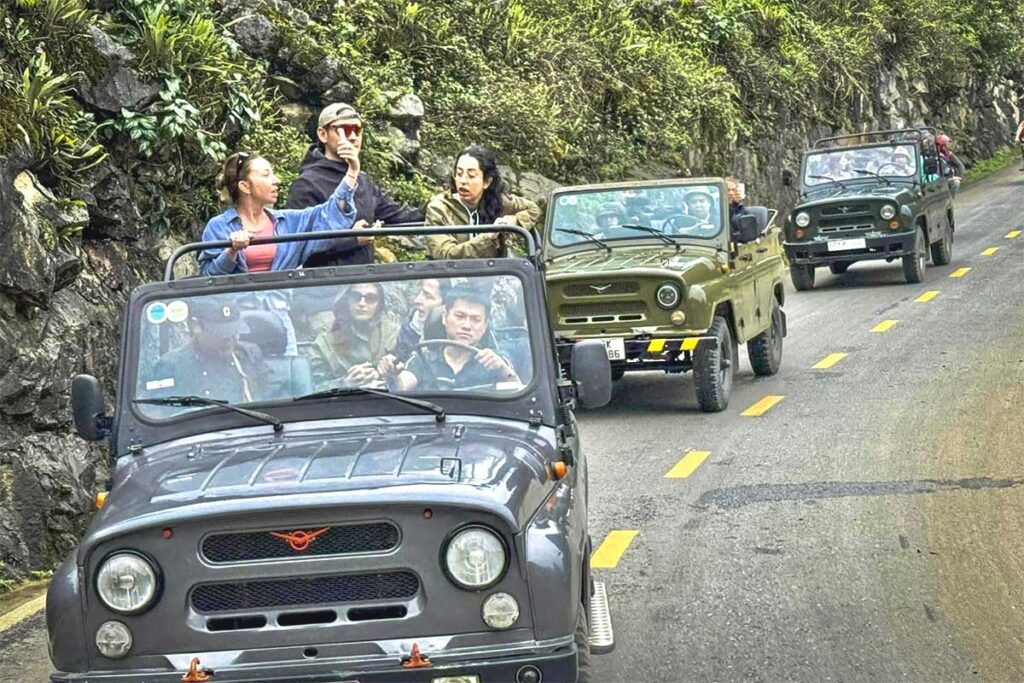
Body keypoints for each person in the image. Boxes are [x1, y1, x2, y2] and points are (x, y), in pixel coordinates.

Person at [287, 103, 425, 267]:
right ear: (323, 135)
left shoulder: (363, 180)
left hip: (363, 282)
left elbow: (396, 214)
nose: (353, 137)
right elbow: (297, 243)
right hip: (324, 285)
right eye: (344, 130)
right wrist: (351, 239)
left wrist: (443, 204)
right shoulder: (306, 184)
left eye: (357, 130)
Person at [197, 151, 358, 275]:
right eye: (267, 175)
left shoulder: (290, 222)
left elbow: (330, 215)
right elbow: (208, 277)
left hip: (277, 314)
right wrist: (231, 251)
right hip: (233, 314)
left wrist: (352, 171)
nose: (276, 180)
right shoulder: (218, 227)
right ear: (245, 186)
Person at [378, 285, 520, 391]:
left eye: (476, 319)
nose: (467, 325)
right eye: (460, 316)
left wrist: (502, 369)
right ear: (445, 317)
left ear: (485, 326)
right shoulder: (424, 358)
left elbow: (518, 391)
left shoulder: (495, 361)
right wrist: (391, 374)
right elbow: (402, 386)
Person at [424, 145, 540, 259]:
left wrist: (514, 220)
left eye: (471, 175)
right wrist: (489, 236)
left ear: (487, 182)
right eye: (459, 174)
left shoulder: (495, 201)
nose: (463, 181)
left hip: (490, 274)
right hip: (449, 275)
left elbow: (533, 209)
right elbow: (445, 255)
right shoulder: (439, 208)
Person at [147, 298, 268, 404]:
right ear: (195, 326)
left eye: (234, 331)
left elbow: (269, 397)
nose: (231, 339)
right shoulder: (171, 366)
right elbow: (159, 412)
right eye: (222, 334)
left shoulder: (249, 355)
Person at [308, 283, 399, 391]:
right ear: (347, 300)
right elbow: (312, 389)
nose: (362, 303)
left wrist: (390, 372)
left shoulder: (394, 334)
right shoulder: (324, 343)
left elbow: (412, 376)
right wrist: (345, 384)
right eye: (356, 297)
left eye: (370, 298)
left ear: (379, 303)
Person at [395, 278, 444, 360]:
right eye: (420, 293)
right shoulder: (408, 328)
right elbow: (401, 360)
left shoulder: (456, 336)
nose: (417, 300)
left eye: (428, 296)